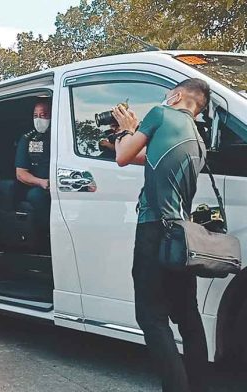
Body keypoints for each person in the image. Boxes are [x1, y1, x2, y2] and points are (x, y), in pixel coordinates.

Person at [113, 78, 212, 392]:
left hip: (154, 231)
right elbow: (149, 157)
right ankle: (199, 385)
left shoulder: (160, 113)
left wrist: (127, 127)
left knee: (152, 317)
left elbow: (123, 156)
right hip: (183, 235)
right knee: (187, 316)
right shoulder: (197, 138)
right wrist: (123, 137)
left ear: (177, 95)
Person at [14, 99, 52, 247]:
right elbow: (21, 174)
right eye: (36, 115)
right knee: (35, 195)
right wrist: (43, 183)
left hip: (62, 182)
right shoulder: (27, 139)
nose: (39, 119)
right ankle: (44, 239)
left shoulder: (60, 133)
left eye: (43, 115)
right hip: (39, 186)